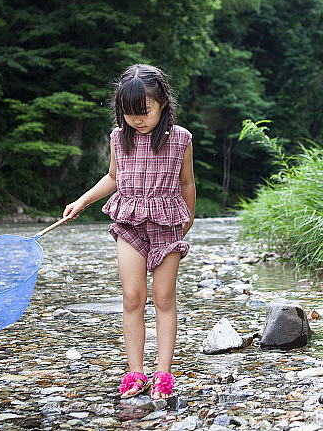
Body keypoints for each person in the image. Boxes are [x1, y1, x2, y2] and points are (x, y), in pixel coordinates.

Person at [63, 64, 195, 400]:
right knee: (133, 297)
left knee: (164, 299)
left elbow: (187, 182)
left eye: (144, 111)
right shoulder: (118, 138)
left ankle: (163, 373)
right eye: (129, 112)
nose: (137, 119)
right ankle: (135, 372)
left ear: (162, 102)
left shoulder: (180, 139)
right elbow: (113, 178)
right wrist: (82, 201)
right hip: (130, 222)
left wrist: (188, 217)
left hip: (167, 224)